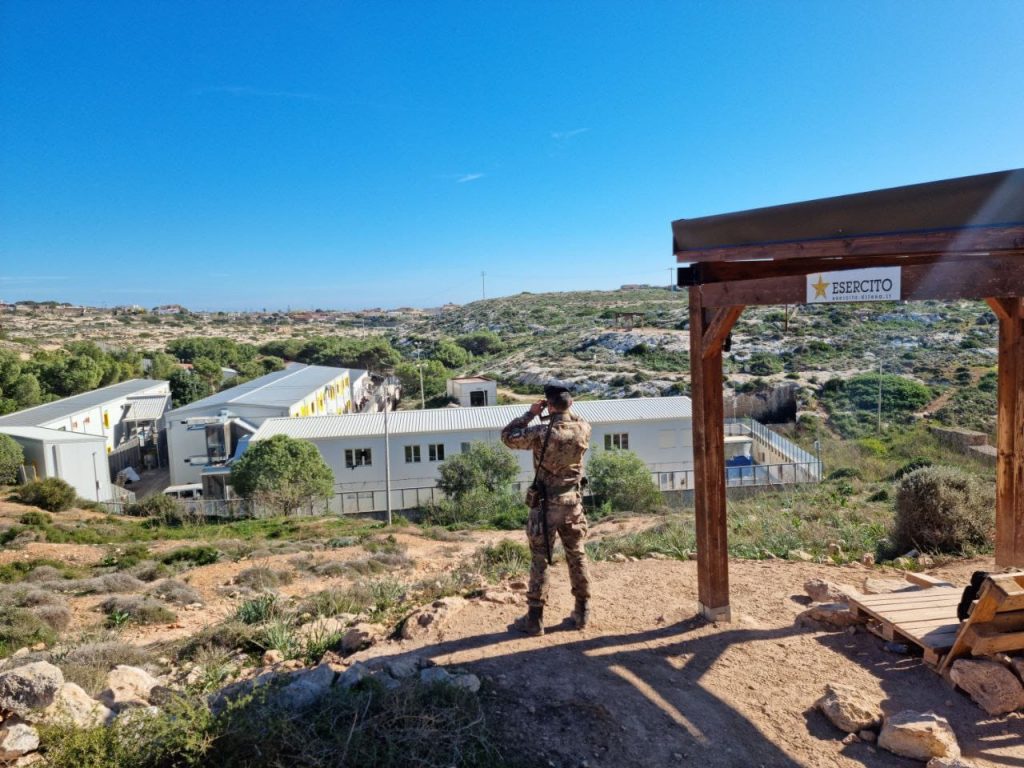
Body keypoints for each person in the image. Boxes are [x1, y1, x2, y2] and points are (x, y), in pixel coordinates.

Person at [501, 382, 592, 636]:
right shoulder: (584, 428)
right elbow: (572, 416)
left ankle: (535, 619)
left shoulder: (541, 432)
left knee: (539, 559)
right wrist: (561, 409)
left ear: (548, 406)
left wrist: (531, 413)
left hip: (545, 507)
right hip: (573, 504)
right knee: (577, 555)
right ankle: (582, 612)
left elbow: (508, 436)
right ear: (570, 404)